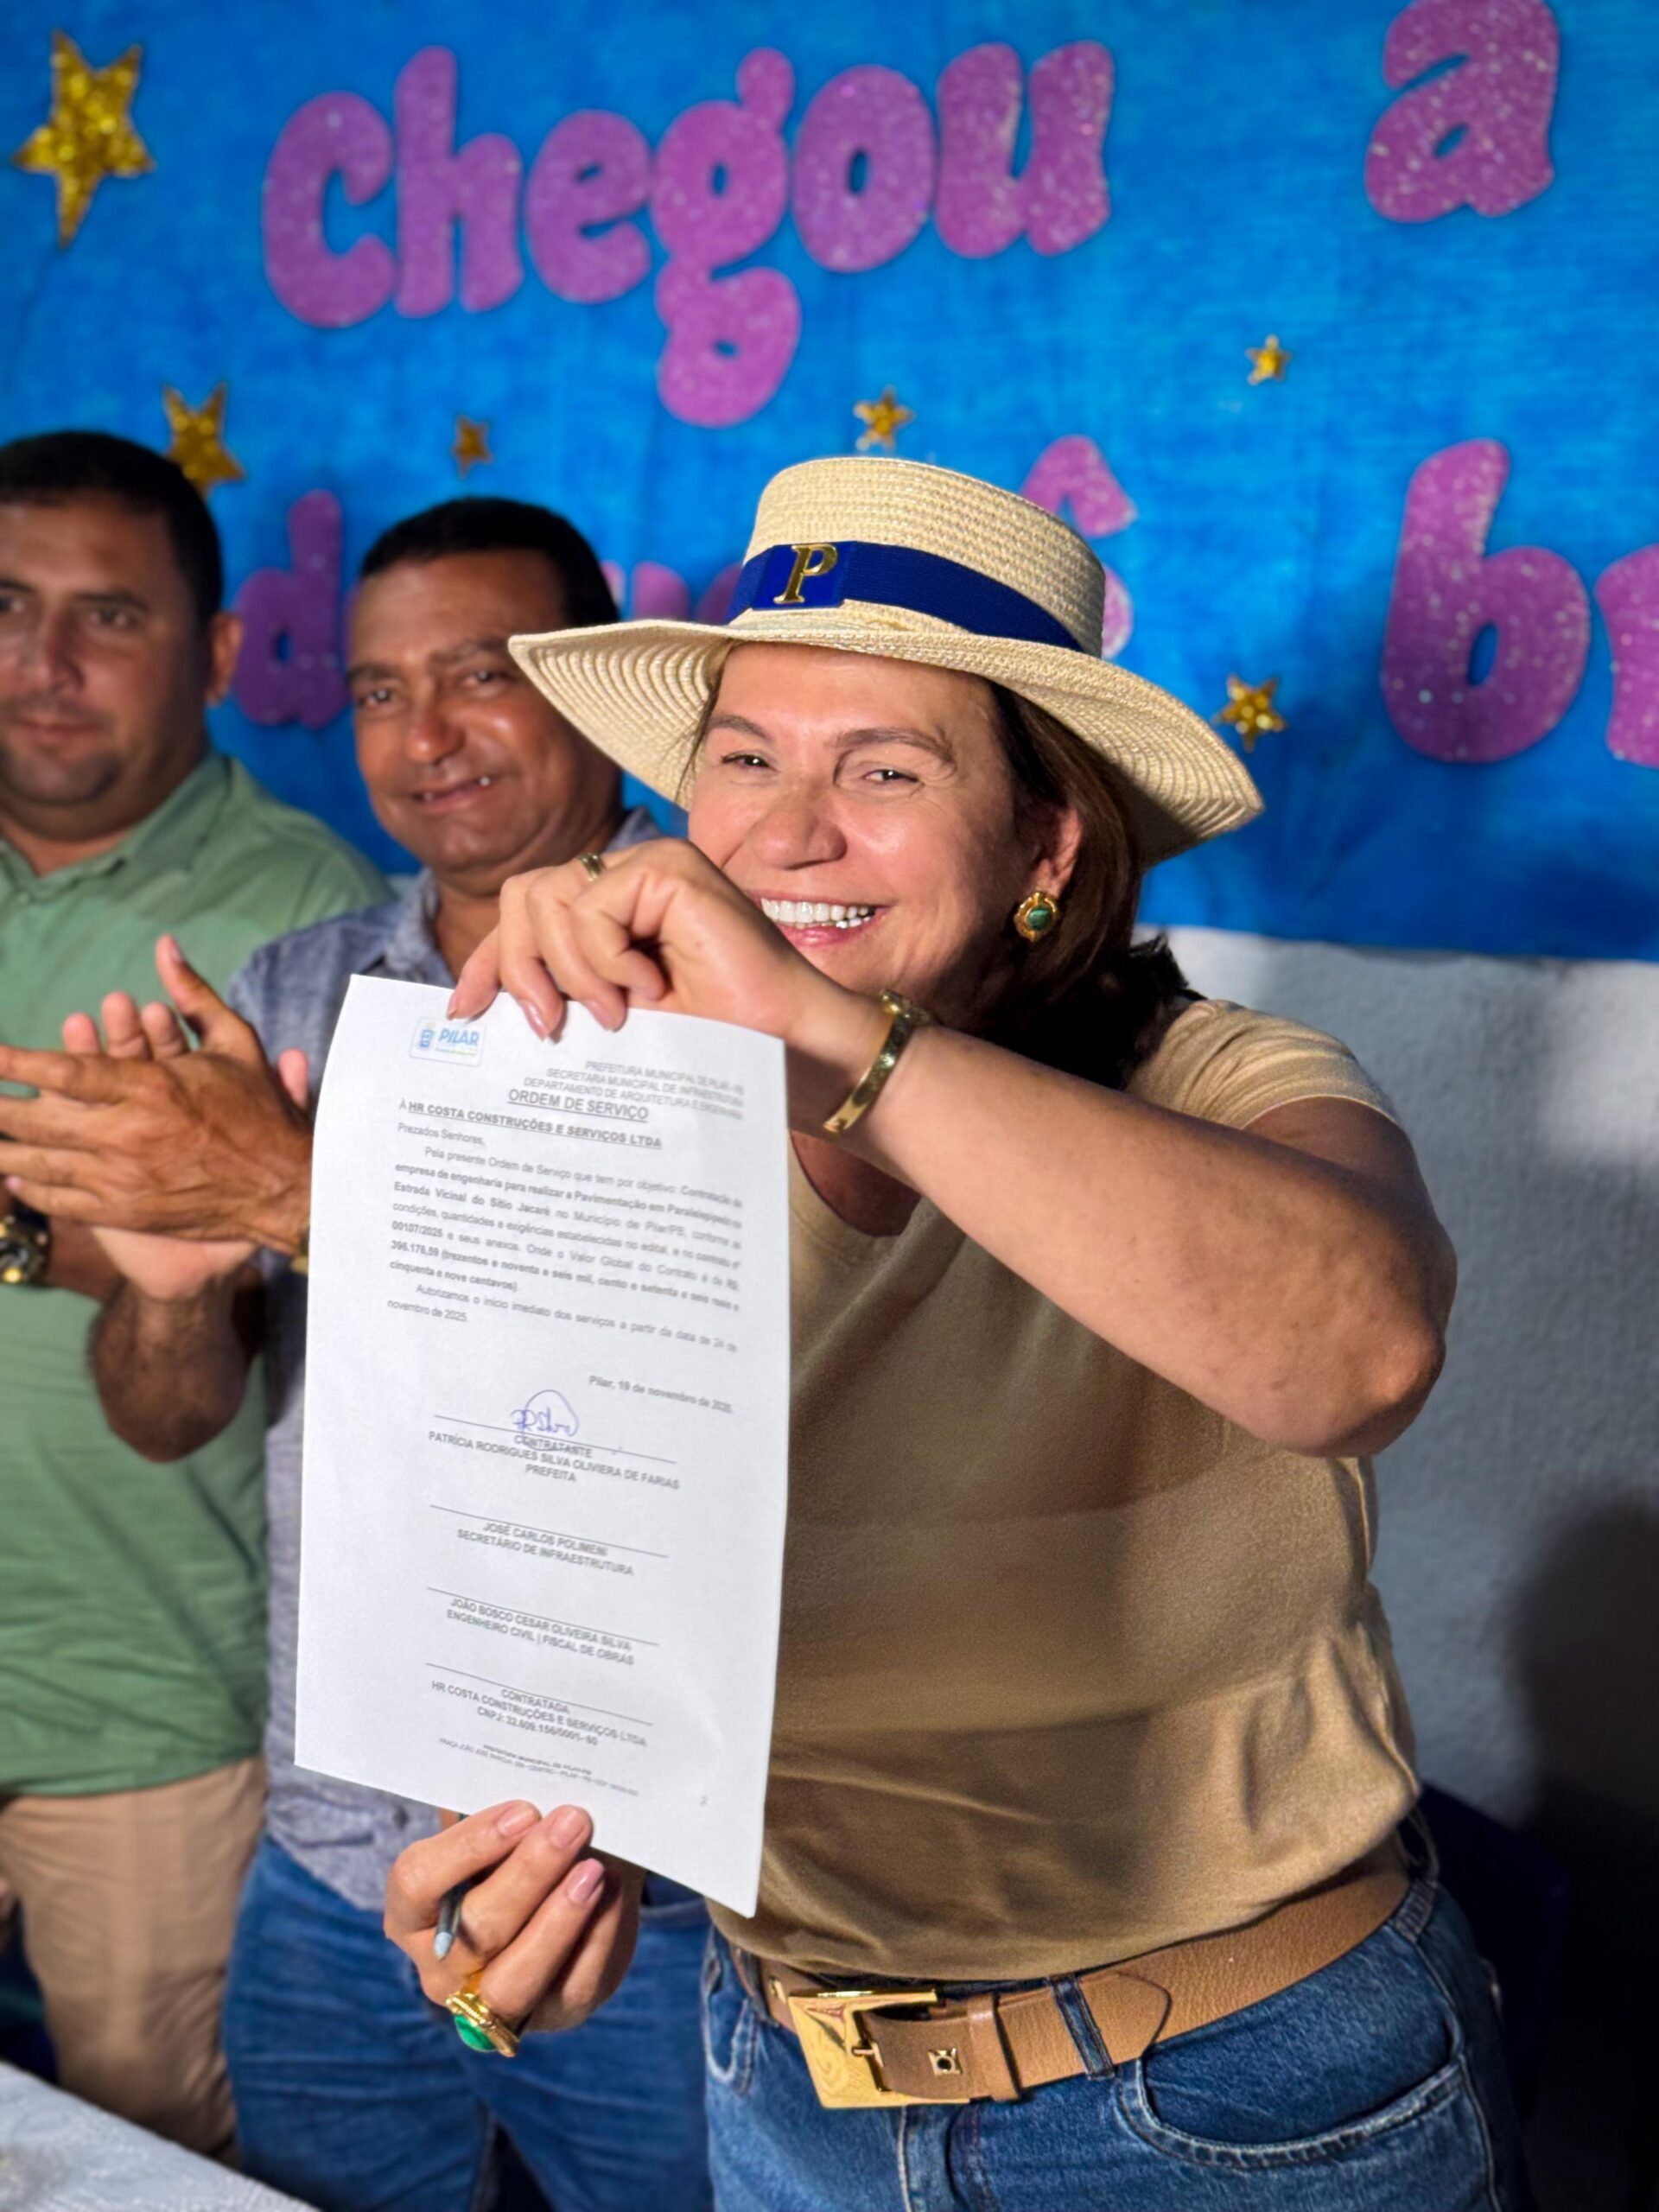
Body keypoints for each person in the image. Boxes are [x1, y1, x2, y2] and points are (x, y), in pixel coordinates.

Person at [375, 456, 1531, 2210]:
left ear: (1047, 846)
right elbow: (588, 1594)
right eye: (744, 760)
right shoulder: (612, 1123)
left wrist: (835, 1036)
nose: (787, 833)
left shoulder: (1217, 1084)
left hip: (1244, 2102)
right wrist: (538, 1893)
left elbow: (1359, 1353)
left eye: (886, 770)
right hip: (789, 2085)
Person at [0, 499, 710, 2212]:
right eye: (382, 691)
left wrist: (286, 1187)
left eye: (480, 676)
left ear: (596, 691)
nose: (425, 737)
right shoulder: (298, 984)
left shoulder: (722, 978)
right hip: (329, 1867)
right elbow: (173, 1416)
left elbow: (620, 1394)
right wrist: (175, 1286)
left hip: (643, 1888)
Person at [0, 429, 386, 2154]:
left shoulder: (303, 916)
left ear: (218, 652)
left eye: (108, 615)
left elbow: (310, 1258)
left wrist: (42, 1227)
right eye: (3, 607)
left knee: (156, 2161)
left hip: (146, 1702)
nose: (43, 663)